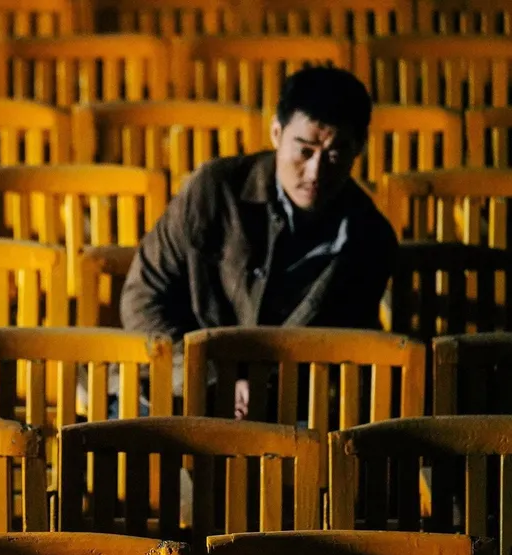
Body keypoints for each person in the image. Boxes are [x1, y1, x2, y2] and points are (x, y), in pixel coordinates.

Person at [119, 66, 397, 418]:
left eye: (334, 154)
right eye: (305, 151)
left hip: (285, 406)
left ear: (359, 148)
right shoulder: (214, 190)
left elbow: (342, 351)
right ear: (276, 133)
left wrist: (267, 390)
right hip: (182, 385)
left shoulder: (370, 238)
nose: (316, 172)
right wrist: (210, 378)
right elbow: (143, 299)